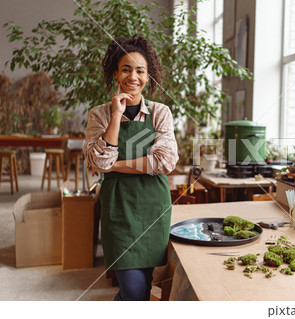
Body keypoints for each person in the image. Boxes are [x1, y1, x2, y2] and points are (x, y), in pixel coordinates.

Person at [83, 35, 178, 301]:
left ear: (148, 77)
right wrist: (116, 115)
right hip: (118, 208)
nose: (132, 76)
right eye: (126, 69)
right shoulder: (99, 114)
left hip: (153, 209)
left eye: (140, 70)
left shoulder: (161, 113)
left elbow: (165, 162)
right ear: (116, 73)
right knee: (134, 290)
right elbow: (99, 162)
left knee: (142, 290)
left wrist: (115, 165)